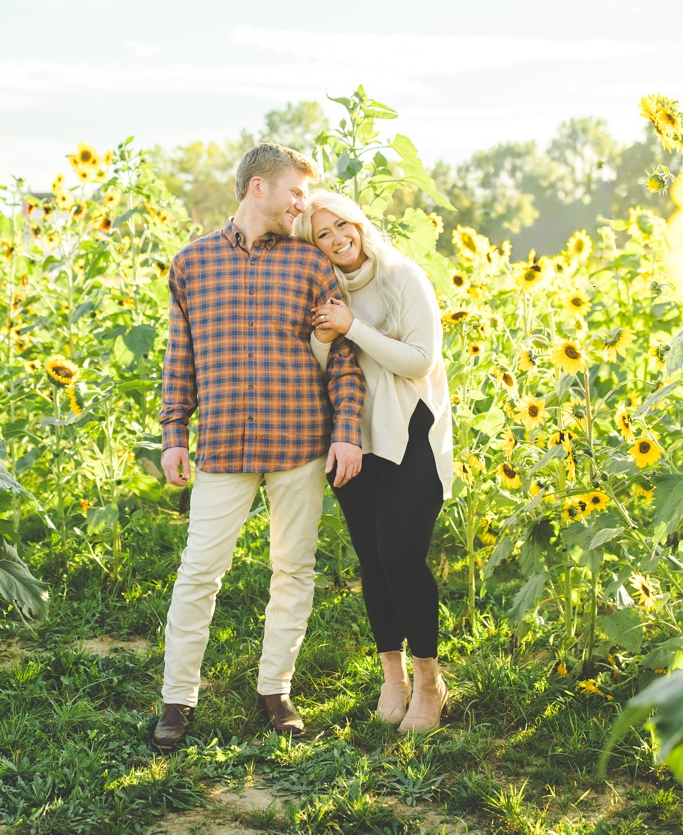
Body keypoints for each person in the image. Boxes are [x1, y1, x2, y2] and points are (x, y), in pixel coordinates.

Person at [150, 142, 366, 753]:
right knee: (198, 573)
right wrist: (174, 432)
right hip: (221, 445)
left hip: (300, 441)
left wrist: (346, 430)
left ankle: (277, 690)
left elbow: (343, 360)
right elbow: (179, 357)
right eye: (295, 192)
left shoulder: (310, 267)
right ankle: (177, 700)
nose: (303, 205)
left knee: (292, 569)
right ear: (257, 189)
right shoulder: (190, 264)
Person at [298, 190, 455, 733]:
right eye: (323, 233)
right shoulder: (323, 288)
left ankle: (430, 680)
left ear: (359, 223)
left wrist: (352, 328)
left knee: (401, 554)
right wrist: (325, 336)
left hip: (411, 434)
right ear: (312, 243)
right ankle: (393, 674)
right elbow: (317, 364)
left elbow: (419, 361)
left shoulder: (403, 277)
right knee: (371, 556)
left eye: (343, 224)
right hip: (349, 436)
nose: (337, 238)